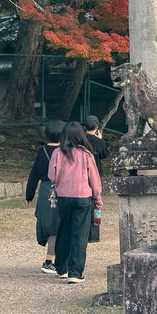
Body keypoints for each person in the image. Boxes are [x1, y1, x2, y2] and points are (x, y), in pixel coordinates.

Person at [47, 121, 103, 284]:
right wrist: (97, 198)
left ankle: (61, 268)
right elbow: (94, 179)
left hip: (64, 197)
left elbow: (52, 175)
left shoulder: (58, 152)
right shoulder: (86, 154)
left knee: (64, 230)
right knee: (80, 234)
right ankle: (75, 272)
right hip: (83, 198)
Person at [25, 119, 64, 274]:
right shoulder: (66, 150)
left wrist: (29, 194)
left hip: (46, 189)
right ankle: (54, 260)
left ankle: (50, 260)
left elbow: (34, 174)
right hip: (63, 189)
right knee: (60, 224)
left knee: (50, 224)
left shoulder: (42, 151)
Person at [84, 115, 109, 243]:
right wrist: (100, 140)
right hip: (96, 175)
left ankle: (84, 232)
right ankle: (95, 233)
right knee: (97, 205)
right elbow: (104, 155)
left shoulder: (80, 141)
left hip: (83, 176)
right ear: (96, 127)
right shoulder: (100, 142)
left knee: (85, 204)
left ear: (84, 127)